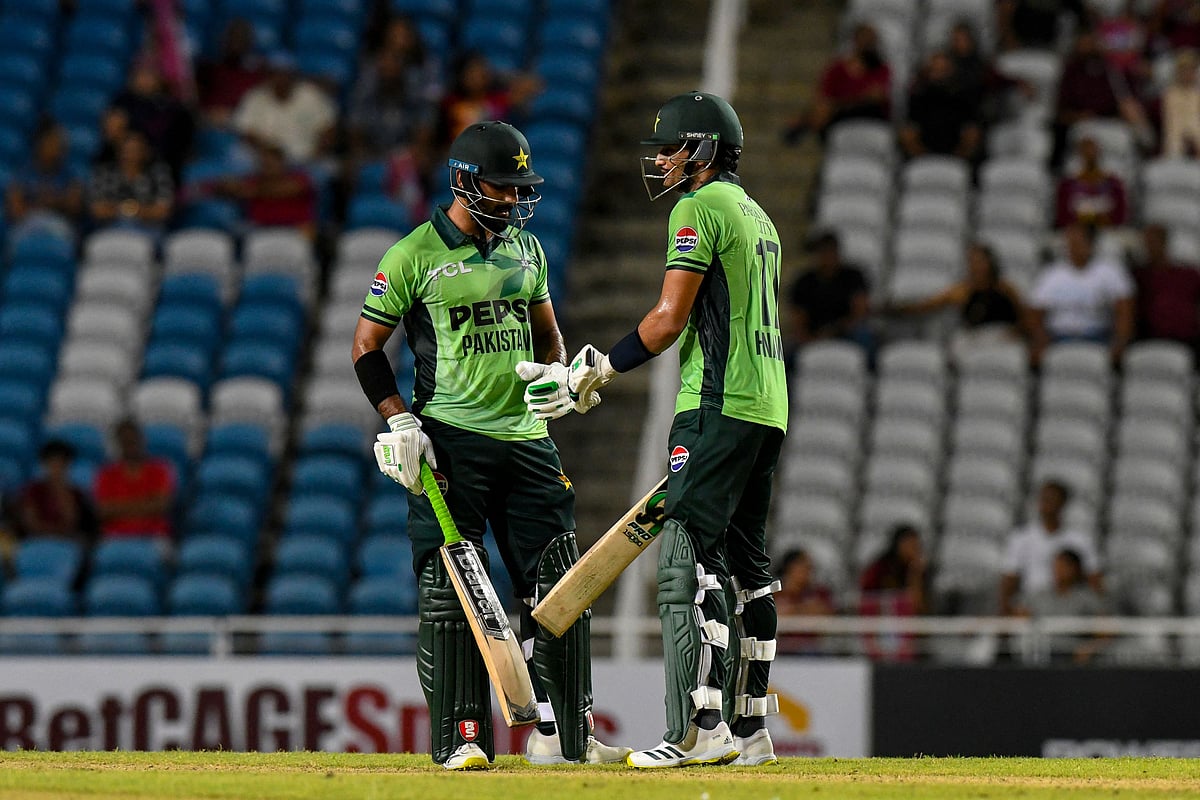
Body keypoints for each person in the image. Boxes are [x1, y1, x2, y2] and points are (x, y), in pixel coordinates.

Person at [351, 121, 629, 771]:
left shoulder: (527, 251)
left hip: (528, 442)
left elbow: (549, 337)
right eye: (501, 189)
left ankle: (567, 738)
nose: (511, 201)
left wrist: (557, 378)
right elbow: (366, 347)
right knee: (454, 593)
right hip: (449, 441)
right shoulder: (412, 255)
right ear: (463, 180)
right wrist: (399, 421)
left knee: (565, 583)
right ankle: (462, 738)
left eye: (519, 190)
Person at [543, 91, 789, 768]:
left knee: (686, 557)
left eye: (672, 147)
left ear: (705, 150)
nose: (660, 159)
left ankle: (696, 730)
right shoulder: (757, 214)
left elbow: (668, 318)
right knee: (750, 572)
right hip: (767, 403)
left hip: (715, 403)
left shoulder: (699, 206)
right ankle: (751, 731)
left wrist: (596, 367)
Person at [885, 243, 1028, 359]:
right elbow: (927, 305)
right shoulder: (962, 291)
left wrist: (1015, 332)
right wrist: (896, 309)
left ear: (990, 264)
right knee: (956, 345)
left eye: (979, 261)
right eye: (971, 262)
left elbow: (1023, 317)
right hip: (974, 338)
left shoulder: (1006, 289)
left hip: (1001, 336)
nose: (974, 266)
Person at [1028, 222, 1135, 364]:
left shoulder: (1111, 272)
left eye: (1078, 242)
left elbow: (1125, 312)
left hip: (1097, 337)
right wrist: (1040, 340)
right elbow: (1034, 313)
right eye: (1070, 242)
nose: (1072, 247)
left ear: (1090, 244)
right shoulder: (1051, 274)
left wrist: (1120, 343)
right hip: (1059, 337)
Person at [999, 480, 1103, 616]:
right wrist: (1005, 614)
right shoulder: (1021, 538)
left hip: (1070, 606)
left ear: (1064, 503)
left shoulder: (1080, 540)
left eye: (1052, 499)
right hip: (1032, 606)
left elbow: (1094, 580)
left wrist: (1099, 611)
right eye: (1044, 498)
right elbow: (1009, 580)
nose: (1047, 503)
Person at [783, 23, 891, 142]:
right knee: (823, 109)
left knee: (825, 111)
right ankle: (805, 123)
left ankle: (803, 124)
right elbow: (824, 96)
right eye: (865, 39)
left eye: (871, 40)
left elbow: (877, 96)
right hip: (839, 112)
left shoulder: (880, 68)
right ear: (855, 40)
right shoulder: (837, 67)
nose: (868, 44)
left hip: (867, 112)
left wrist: (843, 102)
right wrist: (857, 97)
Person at [233, 52, 336, 165]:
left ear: (293, 75)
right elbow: (246, 131)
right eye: (275, 73)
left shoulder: (312, 95)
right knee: (237, 156)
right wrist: (266, 153)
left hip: (304, 157)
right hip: (265, 157)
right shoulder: (255, 96)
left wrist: (317, 154)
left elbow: (328, 129)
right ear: (268, 75)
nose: (280, 78)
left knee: (328, 167)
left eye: (284, 73)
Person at [788, 230, 873, 357]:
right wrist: (814, 337)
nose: (826, 255)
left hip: (847, 333)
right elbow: (798, 321)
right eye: (822, 251)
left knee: (864, 336)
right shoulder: (804, 282)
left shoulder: (853, 277)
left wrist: (835, 331)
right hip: (814, 335)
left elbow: (860, 313)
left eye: (829, 251)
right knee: (788, 352)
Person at [93, 419, 176, 544]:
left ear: (141, 440)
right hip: (115, 537)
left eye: (133, 440)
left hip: (154, 535)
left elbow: (162, 506)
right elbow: (103, 511)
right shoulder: (106, 473)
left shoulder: (160, 469)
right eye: (125, 441)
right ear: (119, 444)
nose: (130, 445)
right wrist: (146, 504)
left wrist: (119, 507)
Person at [1019, 548, 1109, 663]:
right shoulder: (1039, 595)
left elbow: (1105, 633)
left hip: (1073, 657)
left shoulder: (1087, 598)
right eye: (1055, 566)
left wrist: (1090, 648)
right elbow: (1019, 618)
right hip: (1041, 654)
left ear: (1075, 569)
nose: (1057, 570)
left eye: (1063, 566)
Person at [111, 59, 195, 181]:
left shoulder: (173, 108)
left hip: (162, 163)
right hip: (123, 159)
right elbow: (113, 132)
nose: (144, 79)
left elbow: (182, 138)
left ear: (159, 79)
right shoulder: (122, 102)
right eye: (140, 74)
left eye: (149, 74)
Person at [212, 140, 316, 238]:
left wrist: (255, 191)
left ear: (282, 162)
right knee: (232, 229)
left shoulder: (299, 177)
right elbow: (231, 189)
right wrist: (227, 186)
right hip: (259, 227)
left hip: (295, 226)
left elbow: (290, 190)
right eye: (264, 161)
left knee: (310, 231)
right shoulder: (253, 179)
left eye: (271, 161)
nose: (267, 164)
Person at [438, 52, 541, 145]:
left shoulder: (496, 101)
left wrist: (501, 78)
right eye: (472, 73)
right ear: (462, 76)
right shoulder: (451, 103)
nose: (476, 77)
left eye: (480, 72)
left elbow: (533, 85)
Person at [5, 121, 84, 243]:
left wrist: (47, 202)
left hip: (59, 222)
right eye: (53, 142)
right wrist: (50, 203)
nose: (59, 147)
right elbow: (15, 210)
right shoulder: (23, 173)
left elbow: (74, 207)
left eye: (60, 143)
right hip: (28, 223)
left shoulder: (70, 174)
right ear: (41, 144)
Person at [899, 50, 982, 161]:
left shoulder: (963, 94)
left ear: (950, 71)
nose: (938, 74)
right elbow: (911, 126)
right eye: (934, 70)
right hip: (924, 148)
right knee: (905, 134)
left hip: (956, 149)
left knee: (973, 135)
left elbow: (971, 127)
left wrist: (959, 153)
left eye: (942, 70)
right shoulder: (919, 95)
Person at [88, 131, 175, 235]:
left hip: (149, 229)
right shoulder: (104, 173)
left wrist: (119, 209)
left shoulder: (159, 173)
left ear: (146, 151)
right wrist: (141, 210)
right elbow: (97, 210)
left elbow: (163, 211)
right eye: (127, 150)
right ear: (118, 151)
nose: (131, 155)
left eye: (136, 150)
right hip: (110, 228)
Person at [1133, 223, 1200, 350]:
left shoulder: (1188, 274)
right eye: (1146, 243)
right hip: (1149, 336)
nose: (1149, 247)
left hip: (1187, 336)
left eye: (1153, 242)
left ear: (1164, 243)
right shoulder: (1138, 275)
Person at [16, 441, 96, 542]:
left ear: (68, 465)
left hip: (67, 542)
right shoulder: (33, 490)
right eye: (52, 463)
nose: (56, 468)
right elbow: (31, 523)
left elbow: (72, 522)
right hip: (37, 540)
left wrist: (62, 493)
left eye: (61, 463)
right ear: (44, 465)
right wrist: (52, 533)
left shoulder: (76, 493)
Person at [196, 17, 267, 127]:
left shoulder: (258, 73)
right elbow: (194, 103)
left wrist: (233, 117)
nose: (235, 43)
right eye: (232, 37)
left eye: (241, 38)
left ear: (249, 42)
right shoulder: (208, 70)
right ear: (223, 41)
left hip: (244, 129)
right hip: (210, 126)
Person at [1055, 137, 1128, 229]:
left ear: (1099, 152)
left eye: (1092, 149)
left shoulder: (1113, 183)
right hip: (1077, 231)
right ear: (1079, 154)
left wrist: (1100, 219)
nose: (1089, 154)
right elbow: (1063, 215)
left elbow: (1120, 213)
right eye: (1085, 150)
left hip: (1108, 230)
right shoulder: (1068, 184)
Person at [774, 549, 835, 655]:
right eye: (805, 567)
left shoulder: (818, 592)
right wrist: (804, 609)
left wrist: (793, 610)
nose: (809, 572)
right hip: (783, 650)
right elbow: (776, 615)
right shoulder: (776, 592)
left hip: (813, 650)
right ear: (790, 567)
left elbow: (827, 614)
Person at [1161, 49, 1200, 158]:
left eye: (1191, 70)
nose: (1187, 73)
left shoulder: (1197, 94)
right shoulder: (1169, 95)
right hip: (1174, 147)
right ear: (1177, 72)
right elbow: (1170, 124)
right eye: (1184, 70)